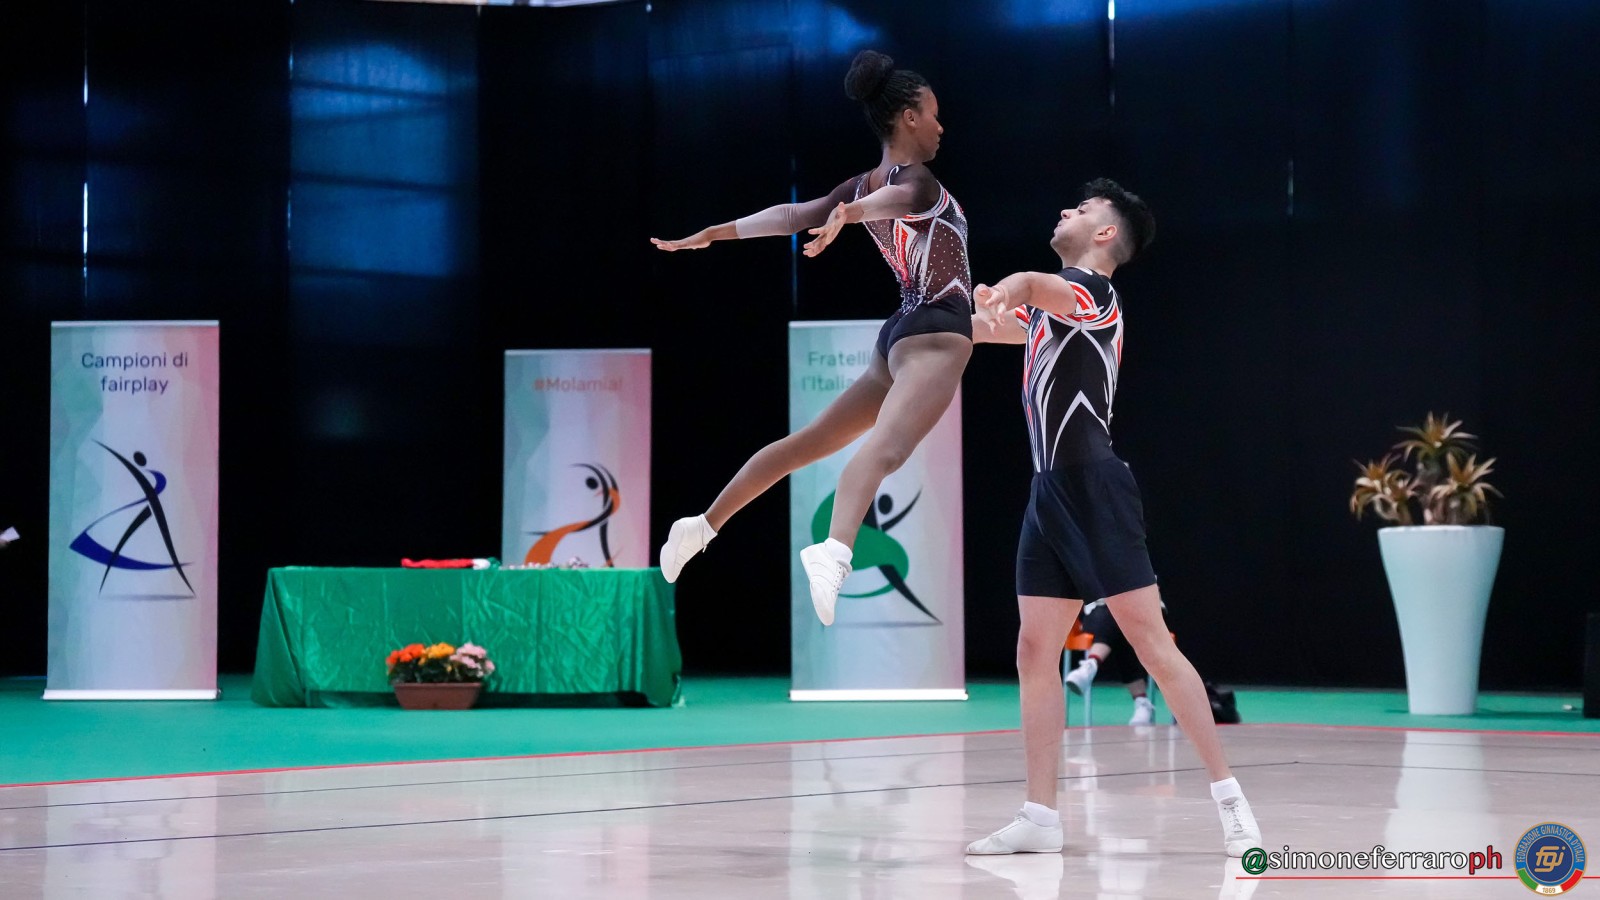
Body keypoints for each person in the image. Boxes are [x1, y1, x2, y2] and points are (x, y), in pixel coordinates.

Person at [963, 179, 1262, 857]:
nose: (1063, 209)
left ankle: (1231, 804)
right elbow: (983, 327)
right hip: (1049, 491)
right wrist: (936, 316)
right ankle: (1040, 816)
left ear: (1104, 234)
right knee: (1034, 650)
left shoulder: (1093, 294)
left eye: (1080, 208)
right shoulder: (1052, 309)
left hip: (1095, 486)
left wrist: (1005, 288)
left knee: (1152, 644)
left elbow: (1028, 288)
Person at [652, 49, 973, 626]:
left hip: (900, 336)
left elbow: (792, 215)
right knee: (885, 449)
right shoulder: (915, 182)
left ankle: (701, 526)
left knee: (808, 443)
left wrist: (718, 232)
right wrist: (851, 215)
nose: (941, 126)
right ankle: (836, 550)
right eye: (934, 113)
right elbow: (891, 203)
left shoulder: (862, 184)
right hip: (935, 333)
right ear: (908, 117)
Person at [1066, 597, 1161, 725]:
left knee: (1123, 620)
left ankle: (1091, 665)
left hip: (1142, 613)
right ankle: (1141, 702)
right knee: (1118, 622)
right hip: (1100, 613)